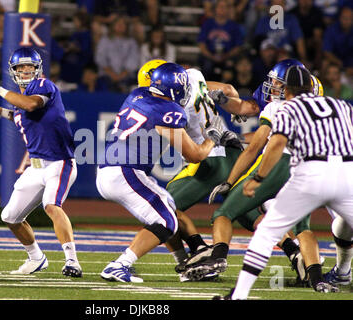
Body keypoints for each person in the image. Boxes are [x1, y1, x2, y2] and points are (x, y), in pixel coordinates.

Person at [216, 65, 353, 299]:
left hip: (311, 174)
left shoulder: (287, 108)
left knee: (267, 232)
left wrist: (258, 178)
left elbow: (277, 144)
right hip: (346, 175)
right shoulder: (341, 105)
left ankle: (238, 295)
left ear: (287, 89)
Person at [96, 62, 226, 283]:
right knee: (166, 222)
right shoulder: (168, 111)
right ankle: (119, 265)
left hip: (114, 169)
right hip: (126, 172)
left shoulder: (137, 94)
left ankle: (184, 262)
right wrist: (213, 137)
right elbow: (194, 155)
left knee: (168, 208)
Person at [0, 47, 82, 277]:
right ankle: (36, 258)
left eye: (29, 66)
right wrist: (1, 112)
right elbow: (23, 115)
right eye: (20, 67)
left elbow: (32, 105)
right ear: (13, 71)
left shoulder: (44, 86)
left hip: (59, 162)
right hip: (35, 168)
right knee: (9, 216)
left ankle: (72, 261)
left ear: (38, 69)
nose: (25, 71)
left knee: (52, 205)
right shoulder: (19, 101)